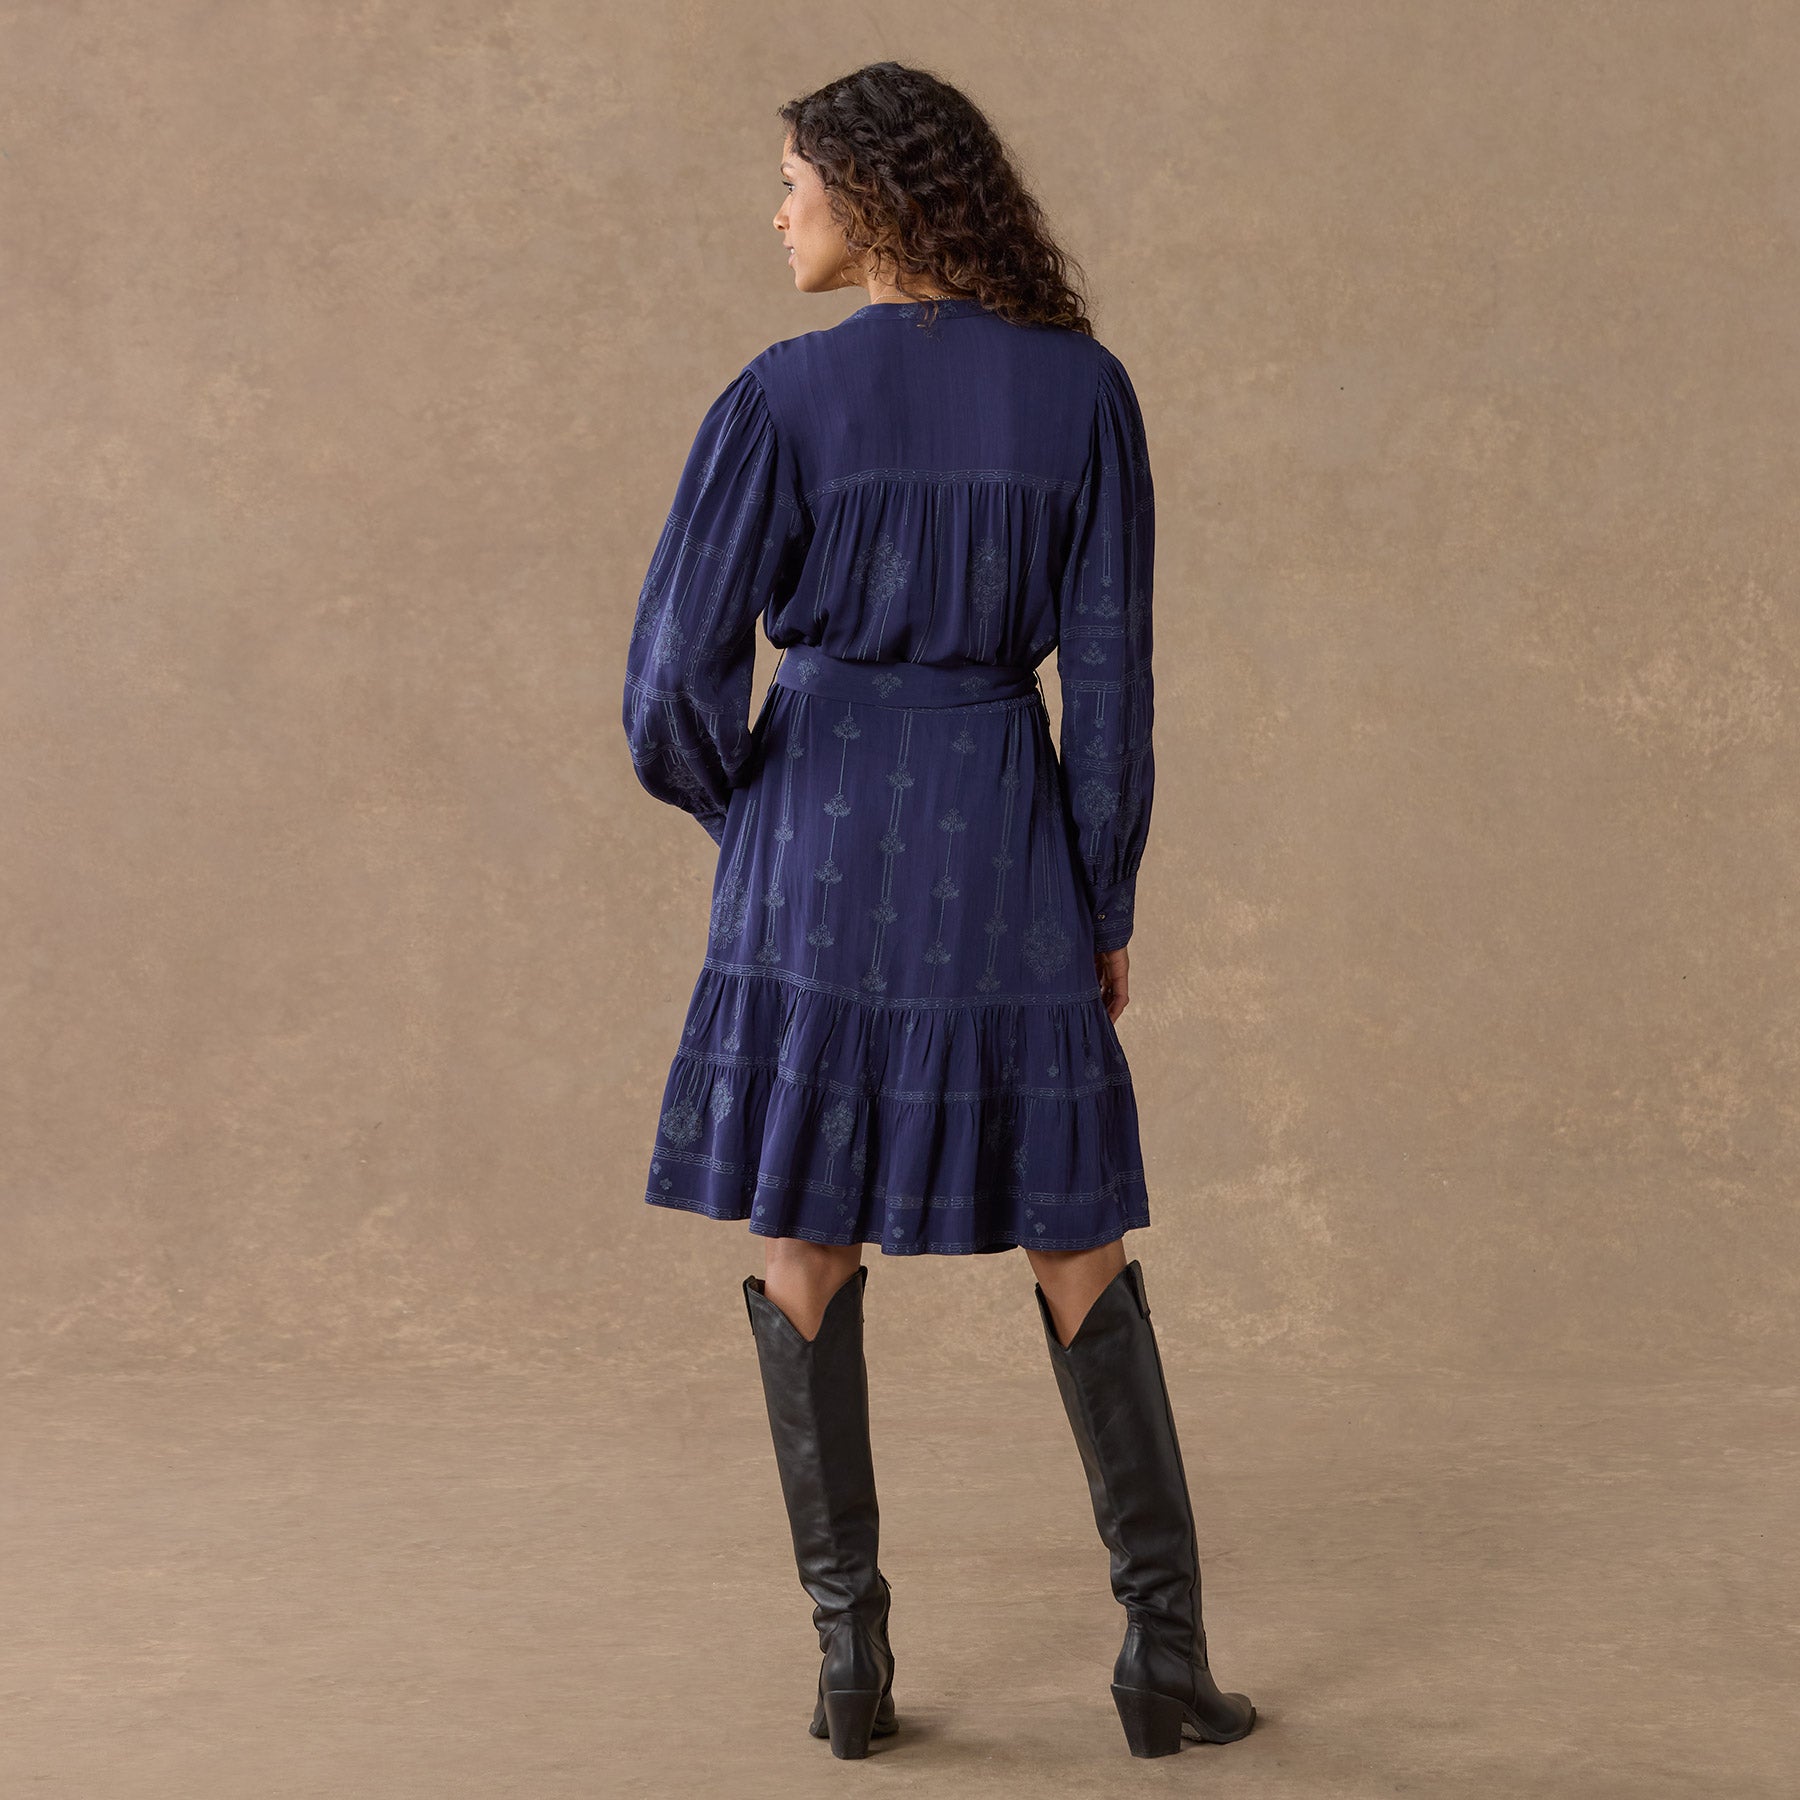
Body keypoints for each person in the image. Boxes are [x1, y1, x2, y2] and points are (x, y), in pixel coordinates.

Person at [621, 61, 1256, 1762]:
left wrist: (747, 807)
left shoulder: (780, 397)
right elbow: (1108, 690)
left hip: (812, 845)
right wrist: (1099, 893)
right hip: (1000, 839)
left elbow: (671, 682)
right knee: (1073, 1225)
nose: (776, 212)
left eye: (792, 182)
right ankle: (1164, 1658)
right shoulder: (1085, 394)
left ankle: (852, 1663)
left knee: (805, 1229)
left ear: (871, 193)